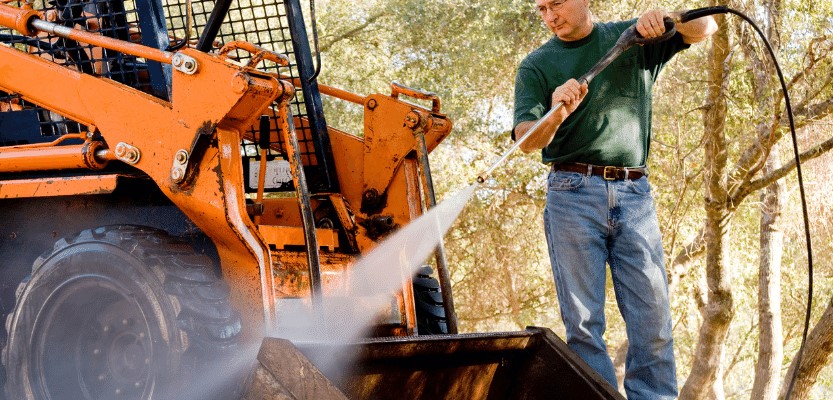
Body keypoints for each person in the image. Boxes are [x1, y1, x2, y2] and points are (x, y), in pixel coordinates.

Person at [512, 1, 717, 399]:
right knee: (584, 328)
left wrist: (669, 19)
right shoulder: (536, 65)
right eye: (541, 9)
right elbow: (525, 140)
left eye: (556, 4)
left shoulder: (635, 38)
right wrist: (555, 112)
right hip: (571, 195)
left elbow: (706, 27)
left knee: (653, 320)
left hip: (634, 194)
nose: (549, 15)